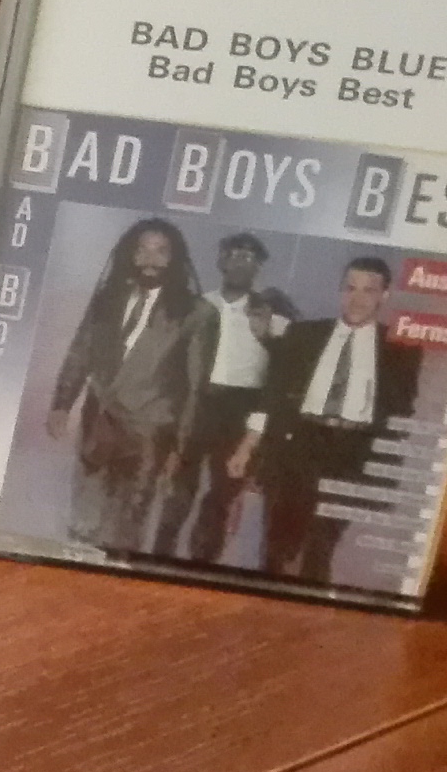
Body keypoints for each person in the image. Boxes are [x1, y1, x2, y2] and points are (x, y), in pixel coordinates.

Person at [225, 256, 422, 584]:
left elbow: (401, 414)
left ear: (384, 295)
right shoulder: (304, 335)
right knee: (278, 544)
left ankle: (306, 604)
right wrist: (246, 448)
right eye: (350, 288)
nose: (357, 298)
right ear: (340, 290)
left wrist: (385, 470)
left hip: (352, 453)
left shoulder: (401, 350)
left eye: (368, 290)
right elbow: (272, 398)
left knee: (320, 544)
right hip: (298, 445)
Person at [45, 218, 212, 550]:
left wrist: (180, 450)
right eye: (142, 250)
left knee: (127, 527)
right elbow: (81, 351)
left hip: (149, 436)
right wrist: (62, 404)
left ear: (175, 258)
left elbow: (196, 389)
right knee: (83, 520)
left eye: (161, 251)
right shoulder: (108, 298)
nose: (150, 259)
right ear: (129, 254)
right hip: (98, 424)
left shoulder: (197, 313)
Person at [165, 232, 293, 564]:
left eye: (249, 258)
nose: (240, 263)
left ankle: (200, 565)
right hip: (197, 404)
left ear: (258, 267)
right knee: (178, 490)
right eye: (234, 255)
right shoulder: (196, 306)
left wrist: (267, 338)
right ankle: (158, 558)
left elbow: (284, 373)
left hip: (240, 411)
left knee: (222, 494)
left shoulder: (274, 317)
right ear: (221, 260)